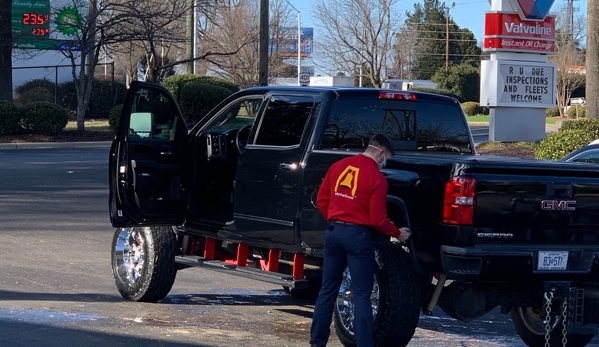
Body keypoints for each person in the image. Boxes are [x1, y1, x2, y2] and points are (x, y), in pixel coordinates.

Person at [309, 133, 411, 347]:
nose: (384, 164)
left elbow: (322, 199)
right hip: (358, 237)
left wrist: (337, 217)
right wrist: (397, 233)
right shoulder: (377, 179)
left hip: (334, 232)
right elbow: (377, 219)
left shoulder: (338, 166)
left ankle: (317, 343)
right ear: (381, 153)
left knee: (327, 290)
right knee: (361, 294)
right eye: (386, 159)